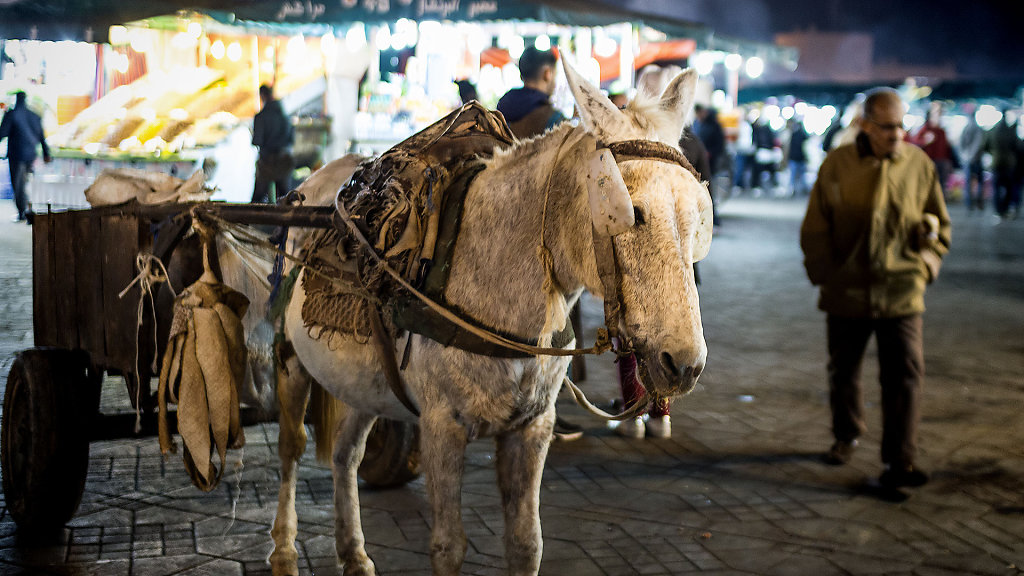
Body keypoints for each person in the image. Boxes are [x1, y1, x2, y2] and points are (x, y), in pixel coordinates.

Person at [800, 88, 951, 490]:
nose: (897, 133)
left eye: (902, 125)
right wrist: (825, 275)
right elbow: (815, 227)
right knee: (844, 371)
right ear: (865, 125)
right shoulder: (837, 165)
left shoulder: (918, 165)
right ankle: (846, 434)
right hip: (846, 292)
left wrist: (926, 264)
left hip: (902, 292)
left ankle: (900, 460)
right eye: (887, 126)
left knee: (905, 376)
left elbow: (940, 222)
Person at [0, 91, 51, 222]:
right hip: (31, 155)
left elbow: (2, 133)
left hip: (16, 155)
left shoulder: (11, 114)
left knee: (18, 185)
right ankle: (29, 210)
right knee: (27, 183)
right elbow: (41, 136)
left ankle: (23, 212)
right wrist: (46, 153)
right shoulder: (34, 115)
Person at [496, 46, 566, 139]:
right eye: (555, 74)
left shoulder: (500, 110)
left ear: (521, 76)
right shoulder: (554, 119)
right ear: (547, 74)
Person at [251, 84, 294, 204]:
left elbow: (257, 141)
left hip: (266, 163)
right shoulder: (285, 116)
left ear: (262, 96)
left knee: (257, 199)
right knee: (285, 200)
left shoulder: (260, 117)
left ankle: (255, 222)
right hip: (284, 160)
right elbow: (291, 139)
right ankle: (286, 223)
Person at [908, 103, 955, 200]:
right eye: (937, 112)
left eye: (940, 113)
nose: (940, 115)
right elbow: (914, 142)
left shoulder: (942, 131)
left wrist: (949, 161)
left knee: (941, 186)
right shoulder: (925, 128)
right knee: (929, 185)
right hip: (930, 161)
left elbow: (946, 148)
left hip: (942, 162)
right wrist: (925, 141)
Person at [981, 109, 1021, 219]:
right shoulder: (1010, 131)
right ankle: (1005, 208)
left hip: (996, 162)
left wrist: (993, 153)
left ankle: (998, 210)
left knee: (996, 187)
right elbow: (1017, 146)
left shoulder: (993, 130)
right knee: (1008, 187)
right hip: (1009, 163)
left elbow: (985, 146)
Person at [959, 104, 986, 212]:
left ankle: (970, 204)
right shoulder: (978, 128)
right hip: (976, 159)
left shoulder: (966, 128)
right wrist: (971, 155)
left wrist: (965, 156)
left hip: (968, 159)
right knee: (979, 182)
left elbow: (961, 145)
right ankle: (978, 203)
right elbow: (978, 143)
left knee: (968, 183)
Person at [786, 116, 810, 196]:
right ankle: (801, 189)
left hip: (794, 157)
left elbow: (789, 146)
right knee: (800, 175)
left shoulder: (793, 134)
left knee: (793, 175)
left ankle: (792, 189)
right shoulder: (803, 135)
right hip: (800, 157)